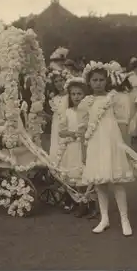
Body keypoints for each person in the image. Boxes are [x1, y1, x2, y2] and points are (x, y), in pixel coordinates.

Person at [78, 61, 136, 236]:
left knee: (117, 182)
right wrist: (83, 150)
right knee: (100, 182)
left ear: (106, 80)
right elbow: (83, 128)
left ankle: (124, 219)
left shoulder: (114, 98)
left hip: (112, 142)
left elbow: (122, 123)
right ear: (89, 82)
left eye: (101, 79)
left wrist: (126, 147)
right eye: (94, 80)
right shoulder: (86, 102)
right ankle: (104, 218)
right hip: (96, 143)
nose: (98, 83)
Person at [56, 77, 98, 218]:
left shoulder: (89, 111)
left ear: (85, 95)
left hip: (86, 147)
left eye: (79, 94)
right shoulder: (68, 112)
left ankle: (92, 205)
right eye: (73, 94)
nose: (76, 97)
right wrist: (73, 134)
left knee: (87, 177)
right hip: (73, 147)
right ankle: (81, 204)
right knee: (75, 178)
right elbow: (61, 131)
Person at [46, 68, 71, 161]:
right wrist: (44, 115)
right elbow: (53, 117)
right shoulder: (54, 98)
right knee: (56, 148)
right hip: (56, 126)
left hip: (67, 125)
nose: (59, 83)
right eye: (56, 81)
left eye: (61, 80)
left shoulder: (70, 96)